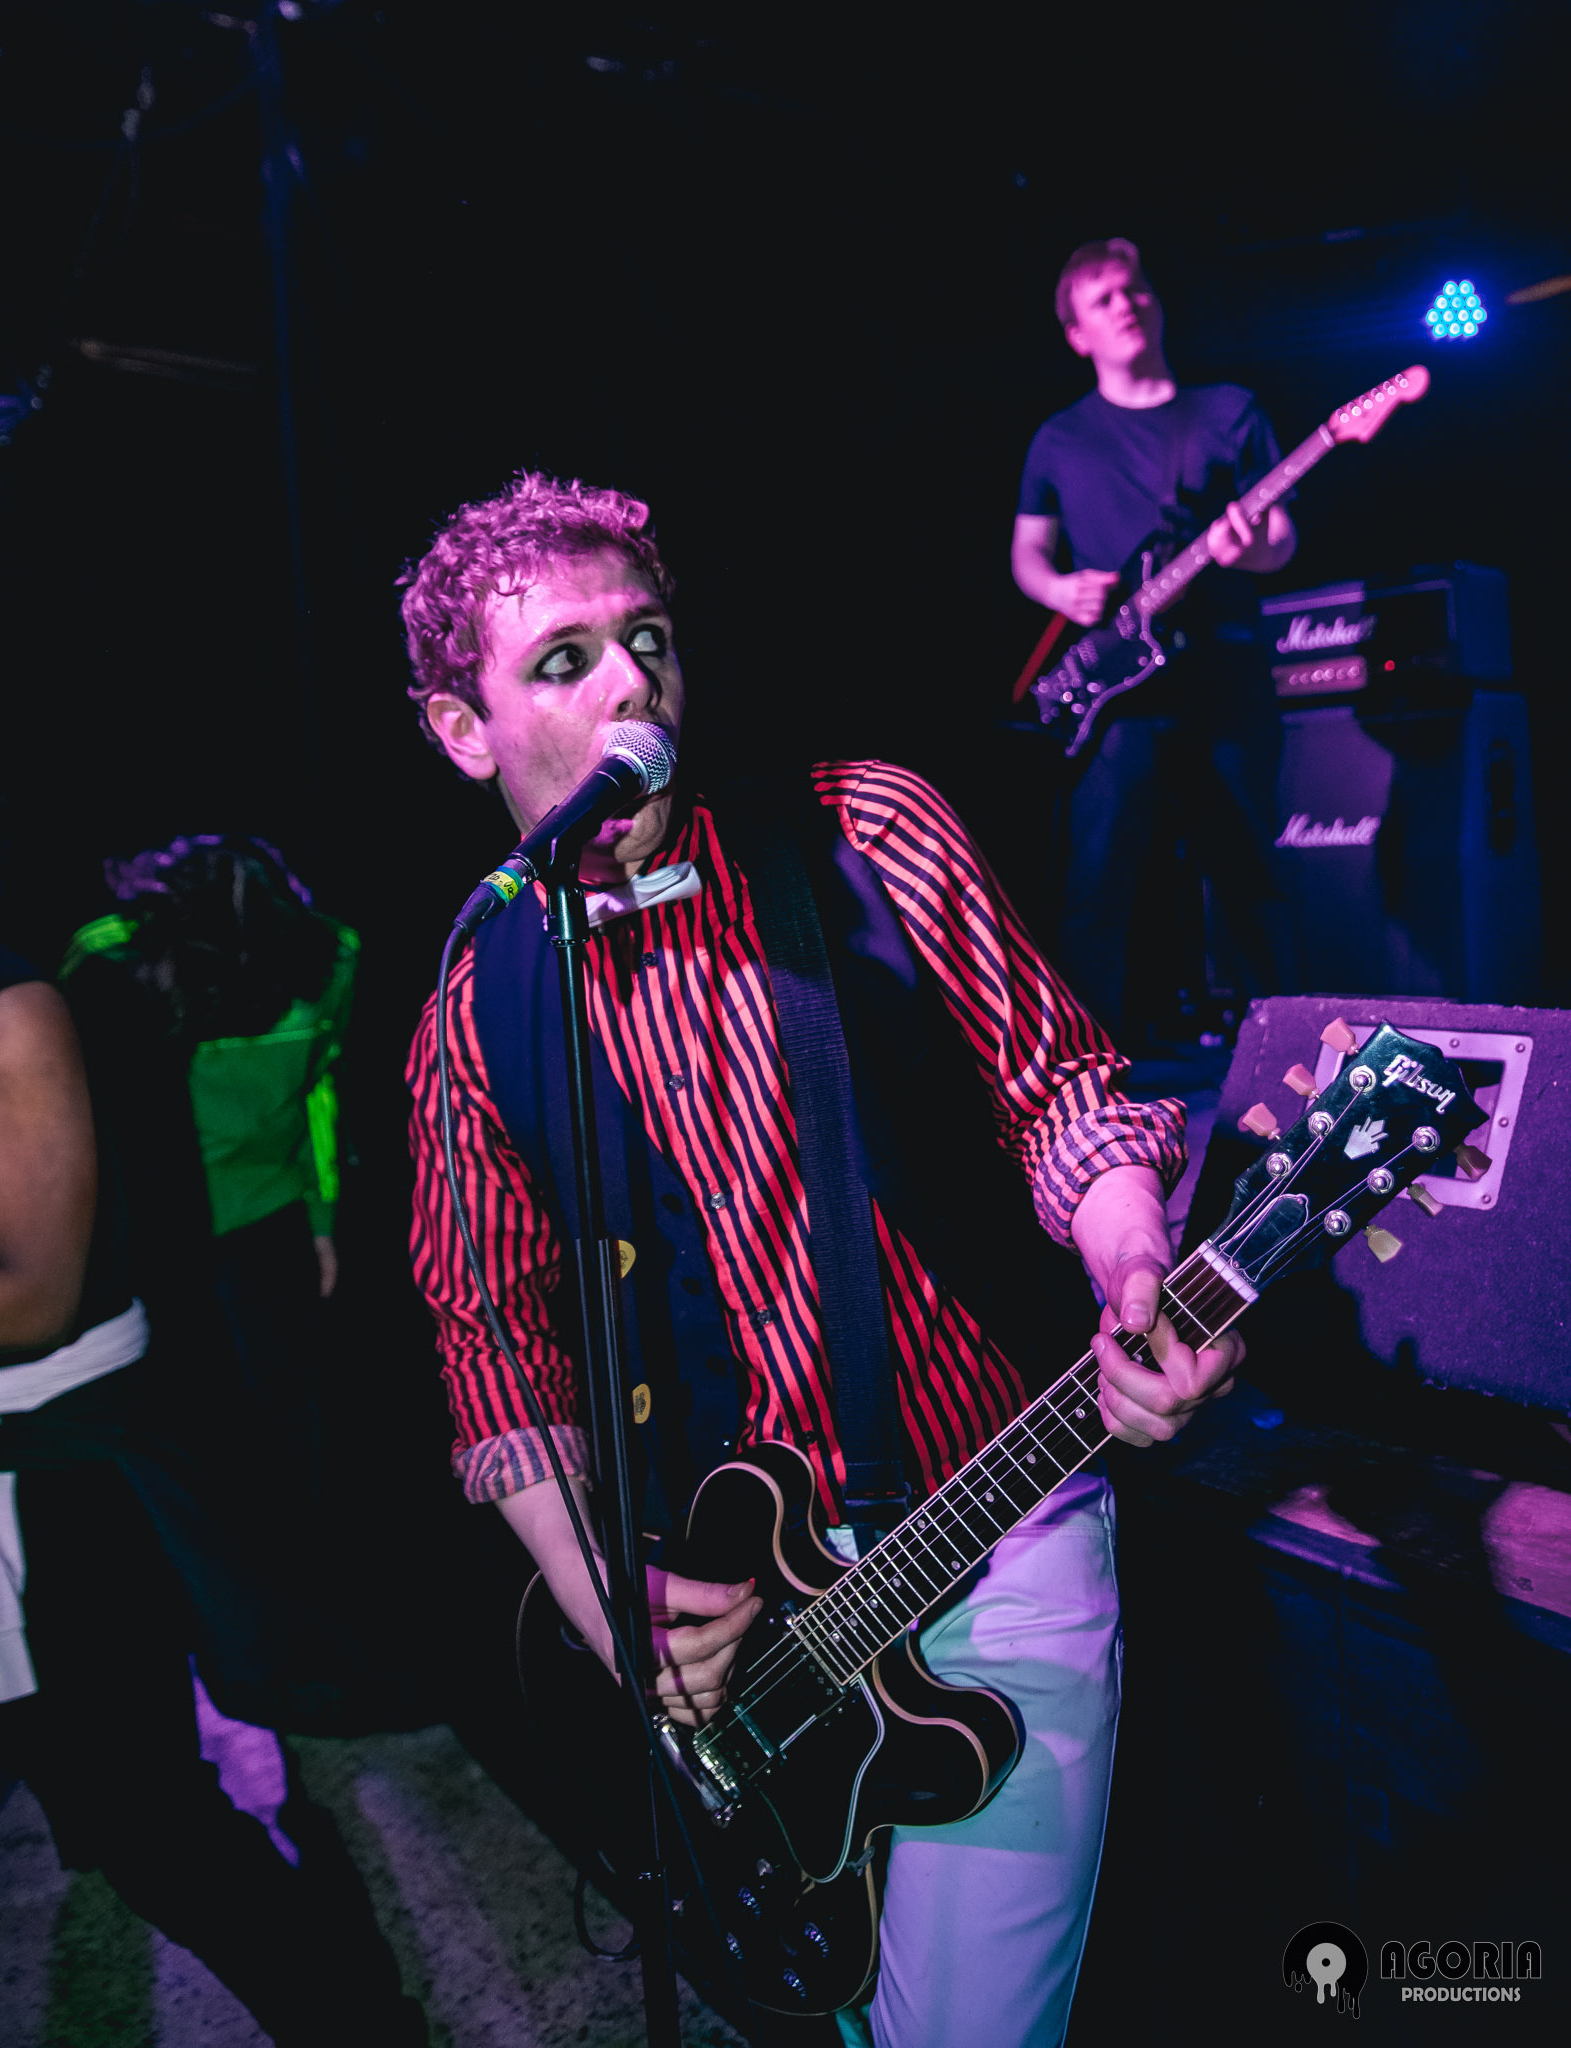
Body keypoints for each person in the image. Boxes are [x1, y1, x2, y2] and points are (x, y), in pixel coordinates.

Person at [399, 474, 1247, 2048]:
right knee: (853, 2016)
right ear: (464, 730)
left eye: (645, 637)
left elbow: (1058, 1090)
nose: (632, 681)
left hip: (996, 1534)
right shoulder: (476, 1001)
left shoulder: (859, 828)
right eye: (564, 660)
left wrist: (1137, 1264)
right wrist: (623, 1626)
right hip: (765, 1621)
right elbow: (489, 1347)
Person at [0, 729, 423, 2046]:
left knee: (151, 1815)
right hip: (104, 1322)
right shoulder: (73, 969)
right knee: (121, 1801)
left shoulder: (37, 1005)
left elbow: (40, 1285)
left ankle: (353, 2003)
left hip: (169, 1342)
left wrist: (320, 1209)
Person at [1011, 236, 1297, 1041]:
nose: (1126, 305)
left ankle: (1295, 1061)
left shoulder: (1229, 410)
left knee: (1250, 875)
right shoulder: (1060, 438)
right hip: (1118, 691)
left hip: (1224, 673)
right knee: (1097, 883)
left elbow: (1281, 539)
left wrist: (1254, 548)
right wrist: (1060, 588)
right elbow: (1027, 552)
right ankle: (1084, 1076)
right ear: (1076, 333)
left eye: (1135, 290)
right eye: (1103, 298)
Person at [61, 834, 358, 1517]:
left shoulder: (331, 954)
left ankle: (296, 1567)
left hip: (267, 1217)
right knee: (181, 1418)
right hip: (152, 1230)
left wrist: (321, 1223)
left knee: (283, 1411)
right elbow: (75, 1112)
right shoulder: (109, 957)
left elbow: (321, 1089)